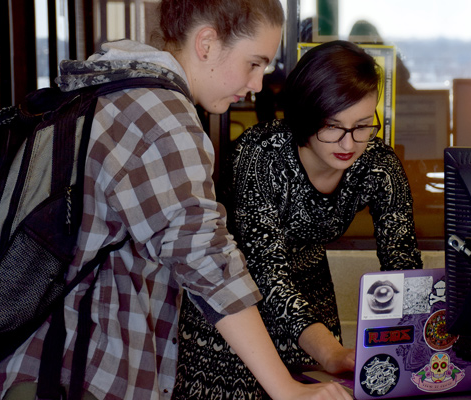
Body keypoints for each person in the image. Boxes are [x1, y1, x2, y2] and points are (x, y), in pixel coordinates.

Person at [0, 1, 351, 399]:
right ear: (207, 43)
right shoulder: (160, 115)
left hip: (18, 366)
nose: (258, 85)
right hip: (68, 375)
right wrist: (287, 390)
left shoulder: (105, 87)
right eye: (254, 63)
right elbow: (208, 262)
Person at [175, 40, 423, 399]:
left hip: (313, 301)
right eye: (333, 126)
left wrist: (413, 347)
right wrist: (330, 352)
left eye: (363, 125)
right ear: (305, 116)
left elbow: (404, 265)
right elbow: (266, 271)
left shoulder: (377, 164)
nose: (349, 142)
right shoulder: (259, 156)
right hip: (237, 309)